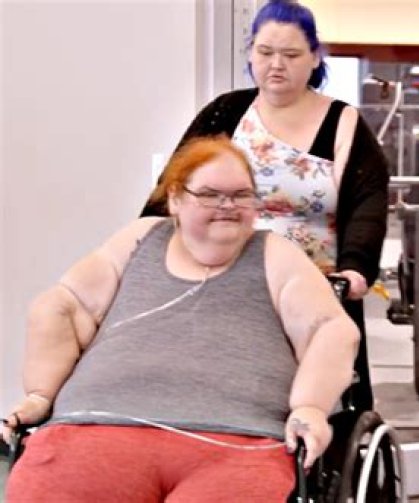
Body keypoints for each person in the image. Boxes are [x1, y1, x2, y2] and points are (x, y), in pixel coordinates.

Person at [2, 136, 360, 502]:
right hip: (96, 422)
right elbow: (67, 305)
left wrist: (310, 407)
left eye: (241, 195)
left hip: (239, 434)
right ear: (175, 198)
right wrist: (41, 394)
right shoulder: (140, 239)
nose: (227, 206)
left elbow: (331, 330)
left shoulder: (275, 255)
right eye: (210, 195)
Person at [141, 0, 389, 413]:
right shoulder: (226, 112)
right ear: (251, 54)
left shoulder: (342, 121)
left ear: (314, 58)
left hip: (313, 287)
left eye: (291, 54)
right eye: (265, 52)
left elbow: (368, 202)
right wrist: (144, 250)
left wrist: (356, 267)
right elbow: (174, 186)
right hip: (226, 282)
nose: (276, 65)